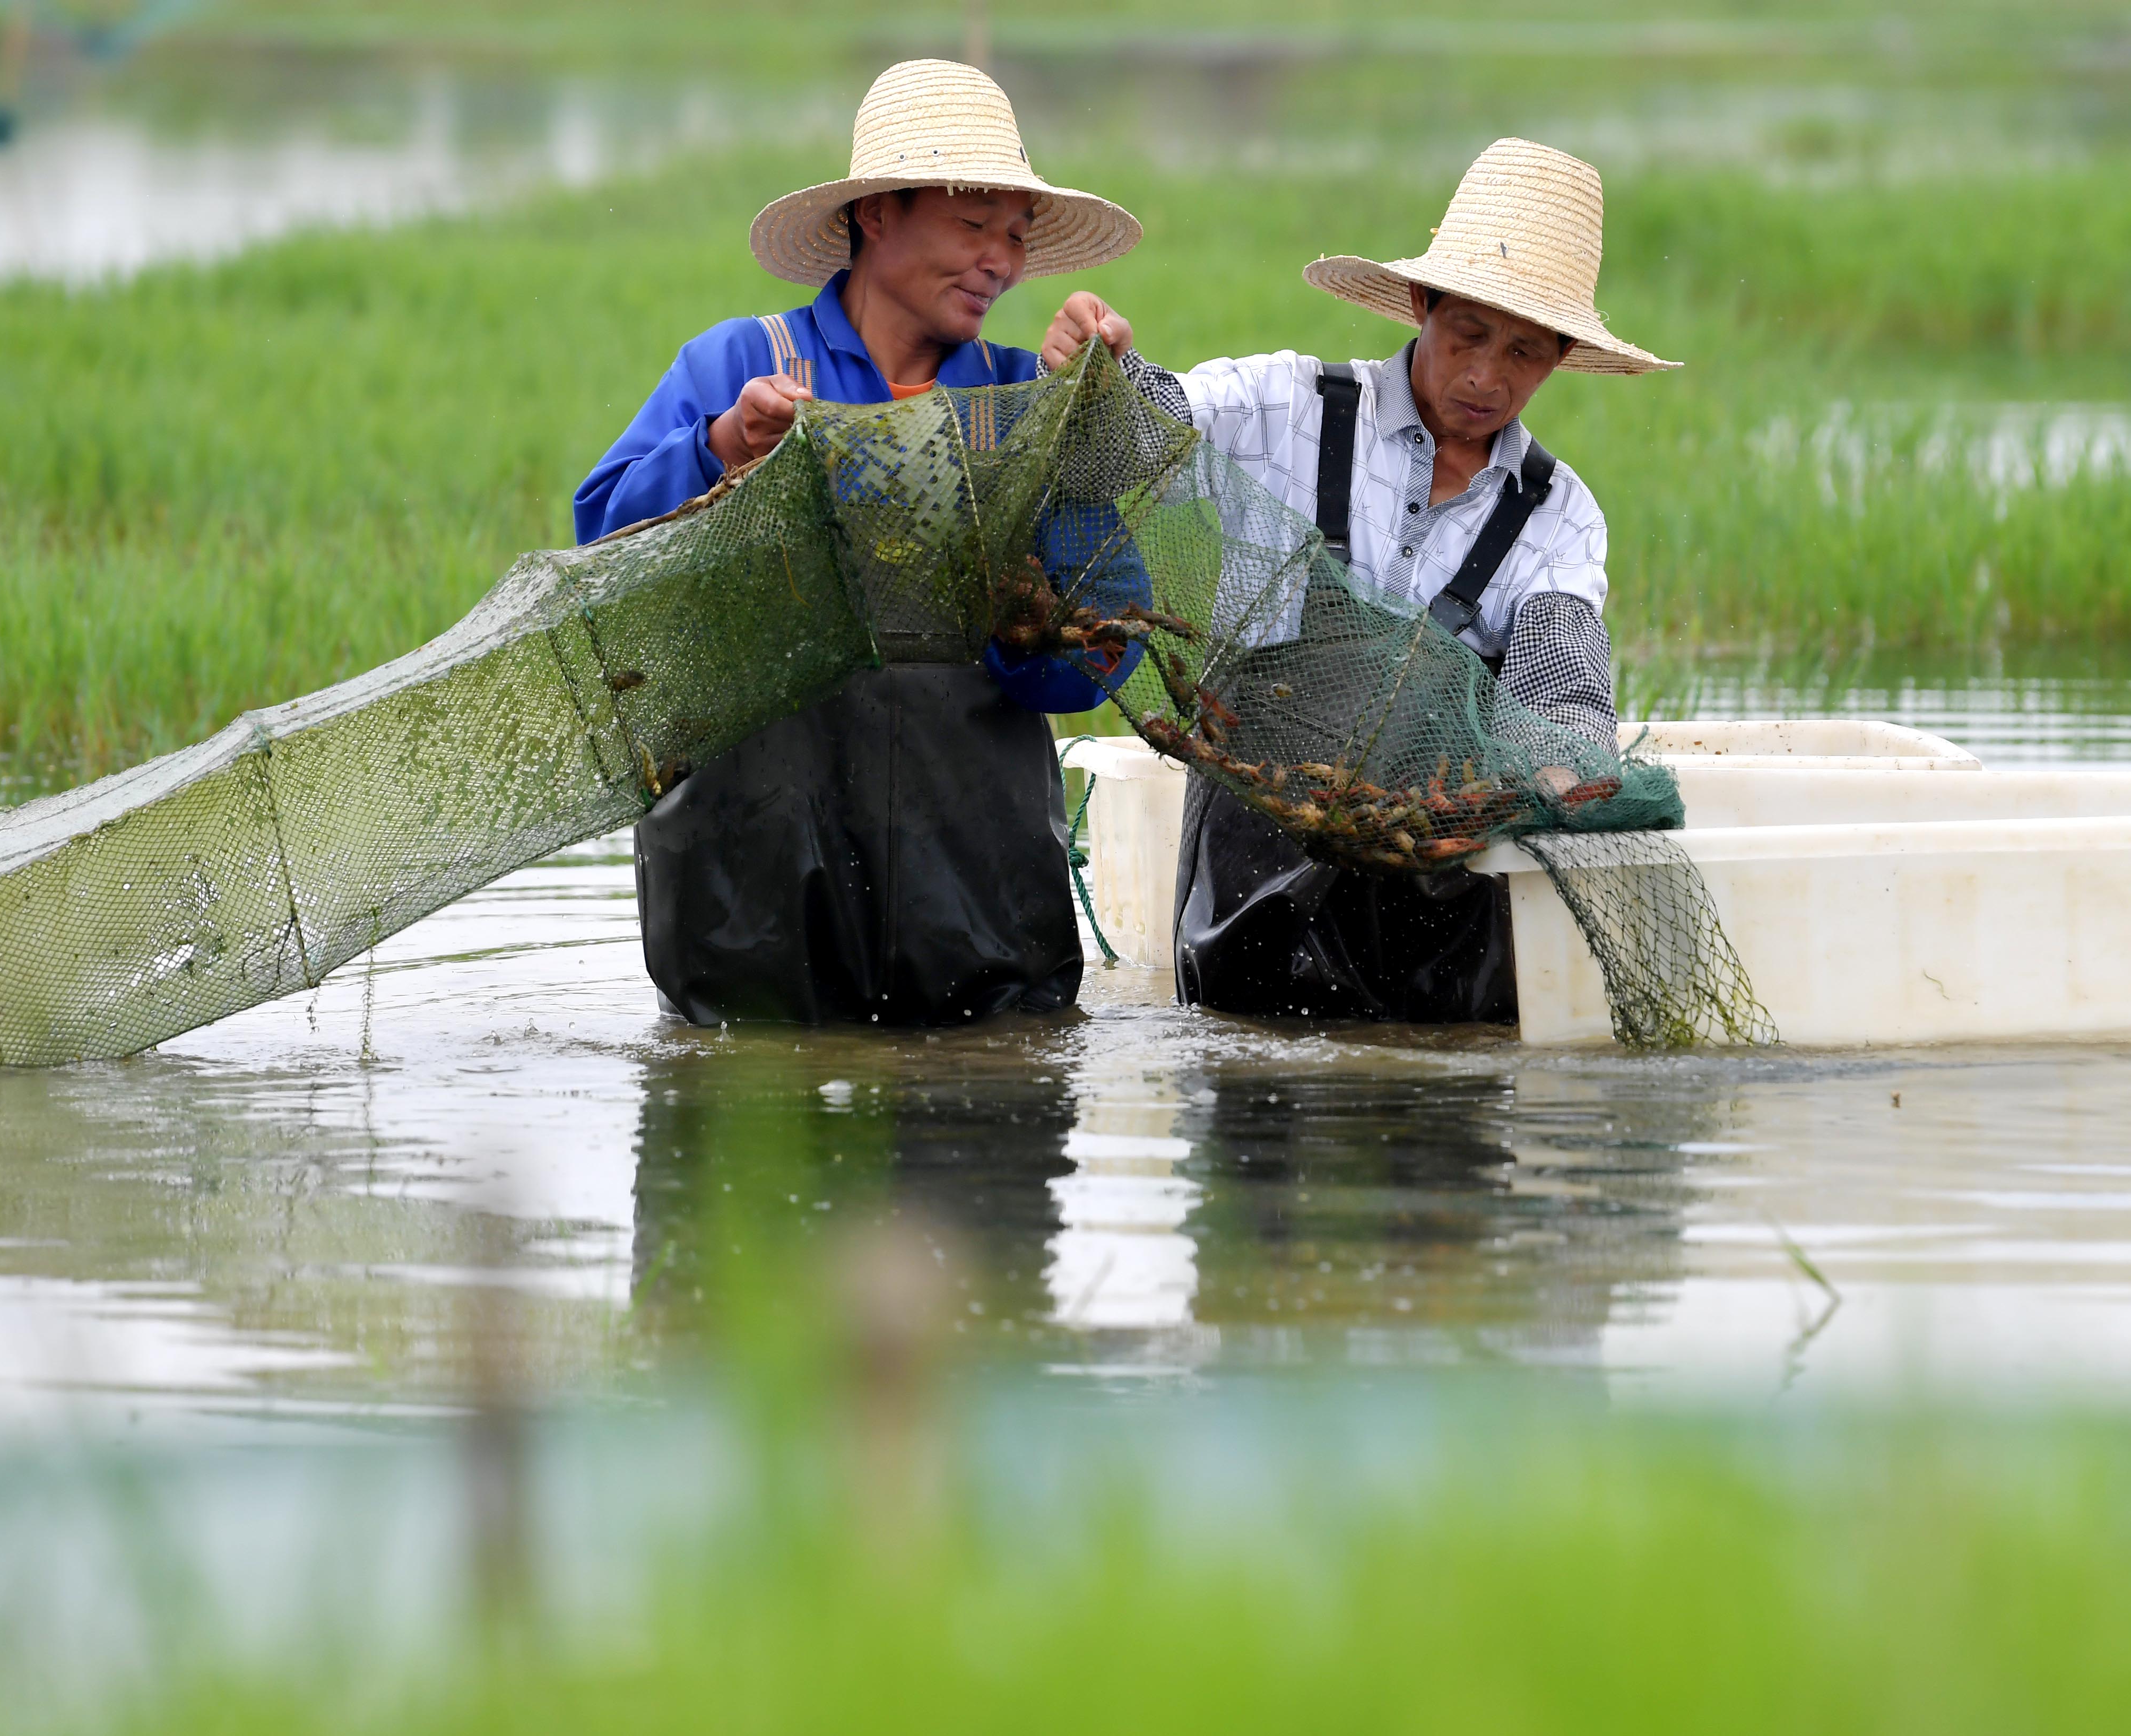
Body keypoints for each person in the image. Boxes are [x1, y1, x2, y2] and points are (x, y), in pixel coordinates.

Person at [1044, 138, 1669, 1025]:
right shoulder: (1285, 408)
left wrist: (1565, 764)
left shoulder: (1559, 516)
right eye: (1469, 335)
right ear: (1421, 304)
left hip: (1436, 889)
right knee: (1245, 1084)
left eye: (1526, 353)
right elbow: (1133, 436)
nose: (1489, 377)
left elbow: (1561, 679)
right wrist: (1092, 371)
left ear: (1562, 356)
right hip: (1252, 861)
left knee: (1438, 1102)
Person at [575, 60, 1144, 1028]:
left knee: (984, 1149)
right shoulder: (745, 365)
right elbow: (603, 541)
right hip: (750, 912)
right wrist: (724, 450)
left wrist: (1078, 443)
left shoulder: (1022, 403)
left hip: (979, 921)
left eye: (1015, 234)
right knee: (750, 1127)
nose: (999, 261)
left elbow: (1102, 650)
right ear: (877, 214)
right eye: (973, 226)